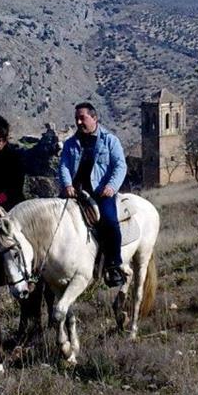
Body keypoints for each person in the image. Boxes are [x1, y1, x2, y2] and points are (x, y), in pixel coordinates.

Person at [58, 102, 127, 287]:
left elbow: (120, 166)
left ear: (94, 118)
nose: (79, 122)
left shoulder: (110, 140)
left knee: (110, 221)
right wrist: (67, 184)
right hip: (75, 192)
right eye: (77, 119)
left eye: (82, 118)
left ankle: (114, 265)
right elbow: (64, 166)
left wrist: (111, 187)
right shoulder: (71, 143)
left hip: (100, 192)